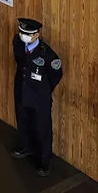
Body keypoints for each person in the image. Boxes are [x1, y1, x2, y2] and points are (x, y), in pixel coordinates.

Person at [11, 17, 63, 177]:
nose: (23, 36)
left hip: (39, 98)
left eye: (28, 34)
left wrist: (43, 90)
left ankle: (45, 162)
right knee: (23, 122)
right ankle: (27, 147)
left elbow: (56, 75)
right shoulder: (18, 43)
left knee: (42, 130)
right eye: (22, 32)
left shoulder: (48, 55)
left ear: (37, 35)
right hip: (22, 91)